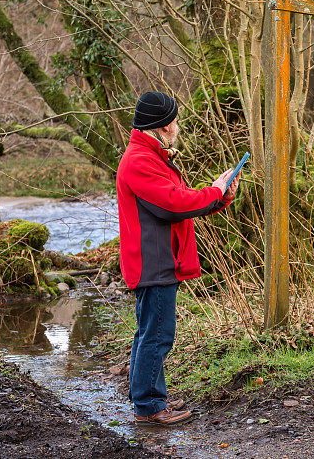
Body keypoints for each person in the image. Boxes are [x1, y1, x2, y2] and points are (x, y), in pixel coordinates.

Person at [117, 91, 239, 426]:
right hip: (153, 262)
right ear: (159, 125)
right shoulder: (140, 160)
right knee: (157, 333)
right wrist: (214, 192)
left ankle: (150, 396)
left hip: (158, 259)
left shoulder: (152, 156)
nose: (176, 125)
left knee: (151, 331)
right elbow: (172, 204)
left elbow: (180, 200)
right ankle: (150, 406)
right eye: (172, 120)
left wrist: (220, 196)